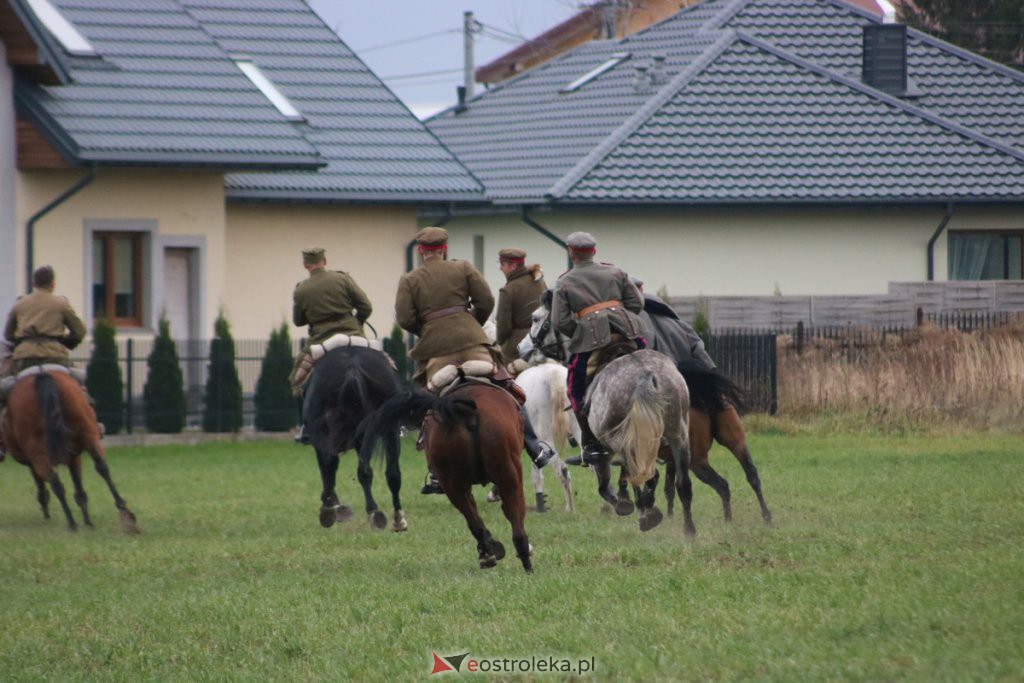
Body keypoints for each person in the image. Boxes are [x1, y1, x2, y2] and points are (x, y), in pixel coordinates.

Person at [395, 227, 554, 493]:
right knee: (508, 387)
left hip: (436, 350)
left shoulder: (410, 279)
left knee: (429, 398)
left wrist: (427, 330)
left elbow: (404, 318)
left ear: (422, 251)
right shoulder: (463, 268)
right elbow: (486, 300)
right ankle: (534, 447)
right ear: (444, 249)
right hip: (473, 342)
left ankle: (435, 471)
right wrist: (472, 323)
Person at [551, 231, 645, 466]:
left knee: (574, 387)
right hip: (628, 334)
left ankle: (591, 444)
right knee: (655, 362)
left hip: (592, 342)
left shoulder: (564, 282)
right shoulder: (616, 272)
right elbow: (637, 303)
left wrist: (581, 331)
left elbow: (559, 321)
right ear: (594, 252)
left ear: (571, 253)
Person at [0, 265, 88, 460]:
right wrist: (65, 342)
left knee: (4, 390)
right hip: (55, 355)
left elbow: (7, 334)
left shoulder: (20, 304)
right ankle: (92, 423)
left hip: (24, 358)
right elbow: (80, 332)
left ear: (33, 283)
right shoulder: (61, 303)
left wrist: (22, 343)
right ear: (53, 284)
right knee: (78, 384)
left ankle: (0, 440)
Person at [290, 247, 373, 443]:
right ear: (324, 261)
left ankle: (305, 427)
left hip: (321, 340)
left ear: (306, 265)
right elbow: (366, 306)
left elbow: (298, 321)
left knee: (296, 380)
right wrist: (357, 322)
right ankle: (394, 423)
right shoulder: (343, 279)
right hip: (353, 334)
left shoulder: (301, 289)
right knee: (387, 365)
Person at [632, 276, 715, 370]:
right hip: (683, 377)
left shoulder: (630, 318)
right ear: (641, 289)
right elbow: (697, 348)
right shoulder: (673, 318)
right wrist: (712, 369)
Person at [494, 247, 547, 368]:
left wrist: (500, 342)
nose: (500, 268)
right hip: (543, 339)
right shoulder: (539, 281)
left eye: (503, 264)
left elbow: (503, 326)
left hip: (517, 346)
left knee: (501, 374)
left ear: (513, 266)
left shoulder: (508, 290)